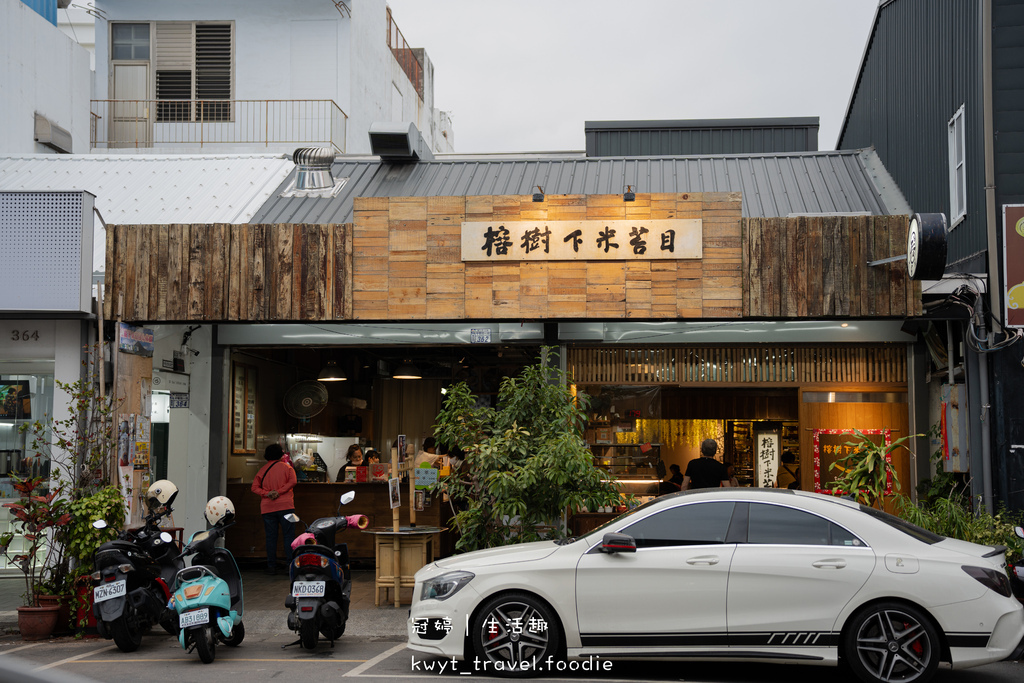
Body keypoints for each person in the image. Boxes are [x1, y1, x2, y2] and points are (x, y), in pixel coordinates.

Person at [251, 443, 296, 575]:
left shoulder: (262, 470)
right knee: (289, 536)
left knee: (271, 537)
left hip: (267, 508)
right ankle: (290, 565)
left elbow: (254, 488)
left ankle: (271, 566)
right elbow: (293, 482)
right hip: (287, 506)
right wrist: (280, 491)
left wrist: (267, 493)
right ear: (281, 454)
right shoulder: (288, 468)